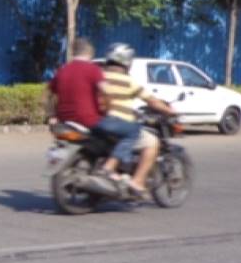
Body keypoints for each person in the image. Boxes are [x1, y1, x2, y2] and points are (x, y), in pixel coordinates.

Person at [95, 43, 177, 197]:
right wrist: (169, 110)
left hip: (99, 123)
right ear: (127, 62)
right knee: (152, 142)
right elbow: (151, 101)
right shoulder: (129, 81)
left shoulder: (100, 76)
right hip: (119, 124)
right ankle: (137, 181)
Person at [46, 37, 105, 129]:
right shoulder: (94, 70)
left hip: (64, 120)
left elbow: (50, 96)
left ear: (73, 52)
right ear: (90, 52)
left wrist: (51, 116)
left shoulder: (62, 71)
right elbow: (105, 92)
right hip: (89, 120)